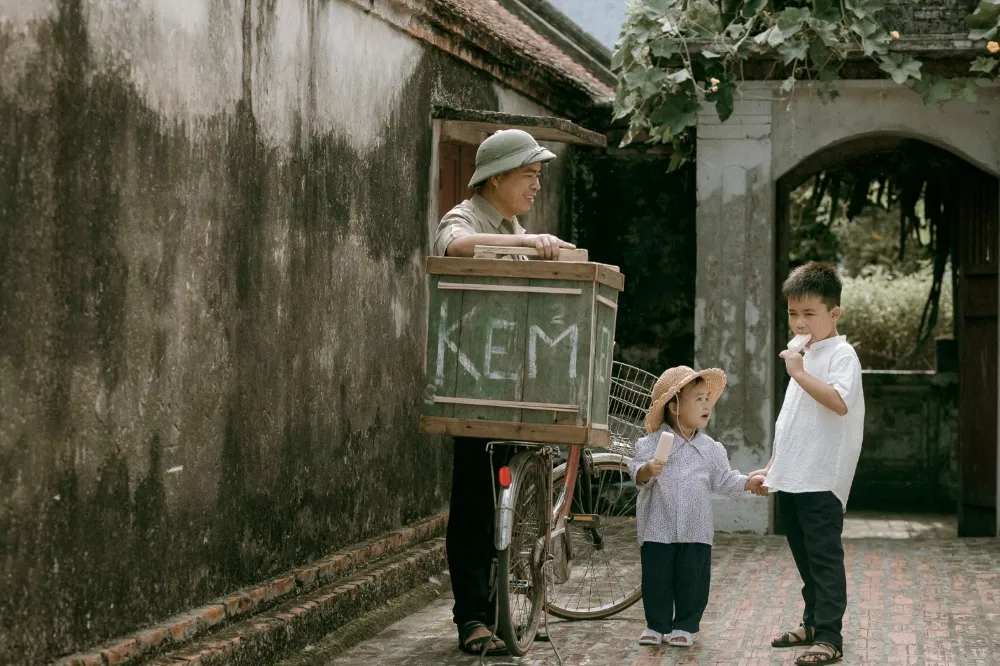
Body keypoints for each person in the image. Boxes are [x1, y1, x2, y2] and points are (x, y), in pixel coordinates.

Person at [434, 129, 575, 655]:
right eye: (528, 175)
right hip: (474, 388)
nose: (536, 185)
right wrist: (524, 244)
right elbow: (452, 246)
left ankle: (506, 614)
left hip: (516, 387)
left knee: (510, 507)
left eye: (540, 176)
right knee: (474, 503)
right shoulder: (468, 217)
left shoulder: (516, 225)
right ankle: (472, 619)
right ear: (496, 177)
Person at [751, 262, 865, 666]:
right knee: (804, 556)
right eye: (793, 313)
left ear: (834, 314)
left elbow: (838, 402)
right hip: (794, 477)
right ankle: (813, 622)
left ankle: (830, 637)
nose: (799, 322)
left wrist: (797, 372)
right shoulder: (805, 353)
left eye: (809, 313)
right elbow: (793, 425)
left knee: (823, 558)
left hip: (822, 478)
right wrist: (772, 467)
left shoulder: (841, 353)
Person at [627, 366, 766, 648]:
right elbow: (635, 474)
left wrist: (749, 483)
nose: (707, 405)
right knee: (656, 578)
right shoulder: (649, 444)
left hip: (696, 528)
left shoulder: (712, 449)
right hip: (658, 526)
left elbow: (724, 480)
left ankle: (686, 625)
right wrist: (647, 469)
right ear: (674, 406)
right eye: (699, 399)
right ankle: (656, 624)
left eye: (708, 399)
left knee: (693, 579)